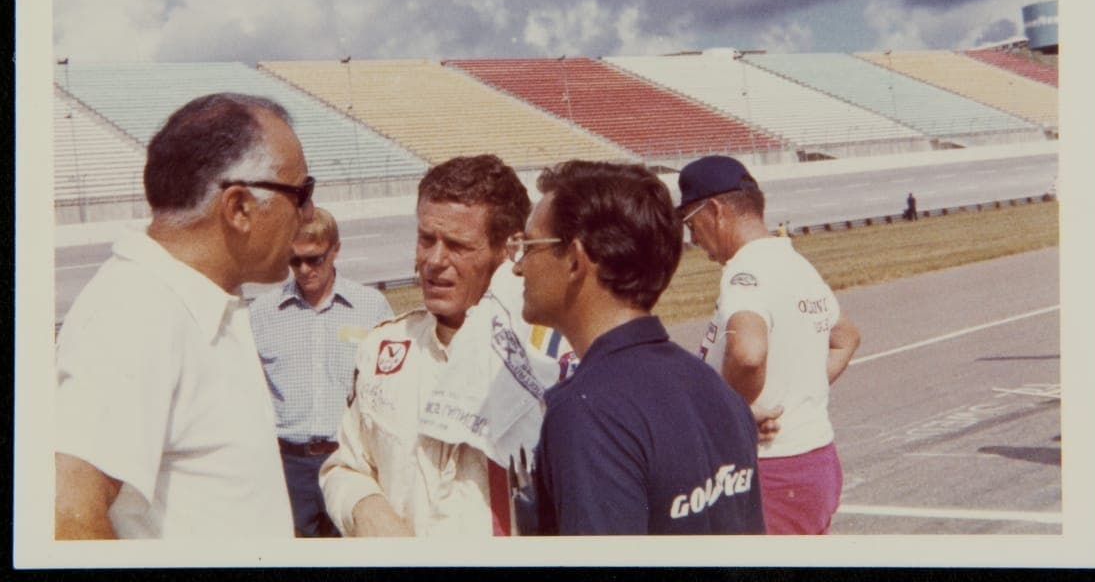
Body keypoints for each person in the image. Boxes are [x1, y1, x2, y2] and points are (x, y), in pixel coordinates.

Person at [54, 93, 315, 539]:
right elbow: (66, 517)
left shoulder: (197, 300)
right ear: (239, 208)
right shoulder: (135, 313)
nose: (309, 215)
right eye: (302, 194)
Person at [320, 154, 571, 537]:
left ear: (509, 250)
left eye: (457, 245)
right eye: (426, 239)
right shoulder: (384, 348)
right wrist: (364, 507)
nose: (434, 261)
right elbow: (345, 467)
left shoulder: (551, 357)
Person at [515, 160, 766, 535]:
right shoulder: (713, 388)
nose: (518, 266)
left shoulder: (588, 412)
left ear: (574, 260)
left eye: (529, 245)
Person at [678, 155, 861, 535]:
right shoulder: (793, 261)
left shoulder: (745, 272)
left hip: (772, 470)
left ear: (715, 211)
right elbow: (845, 339)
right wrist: (801, 391)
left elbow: (747, 354)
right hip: (815, 457)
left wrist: (733, 416)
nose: (692, 238)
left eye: (691, 224)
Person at [250, 206, 395, 537]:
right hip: (287, 466)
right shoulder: (261, 315)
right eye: (294, 261)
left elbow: (390, 387)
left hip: (349, 461)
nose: (304, 270)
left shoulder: (371, 307)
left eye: (315, 259)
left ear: (335, 250)